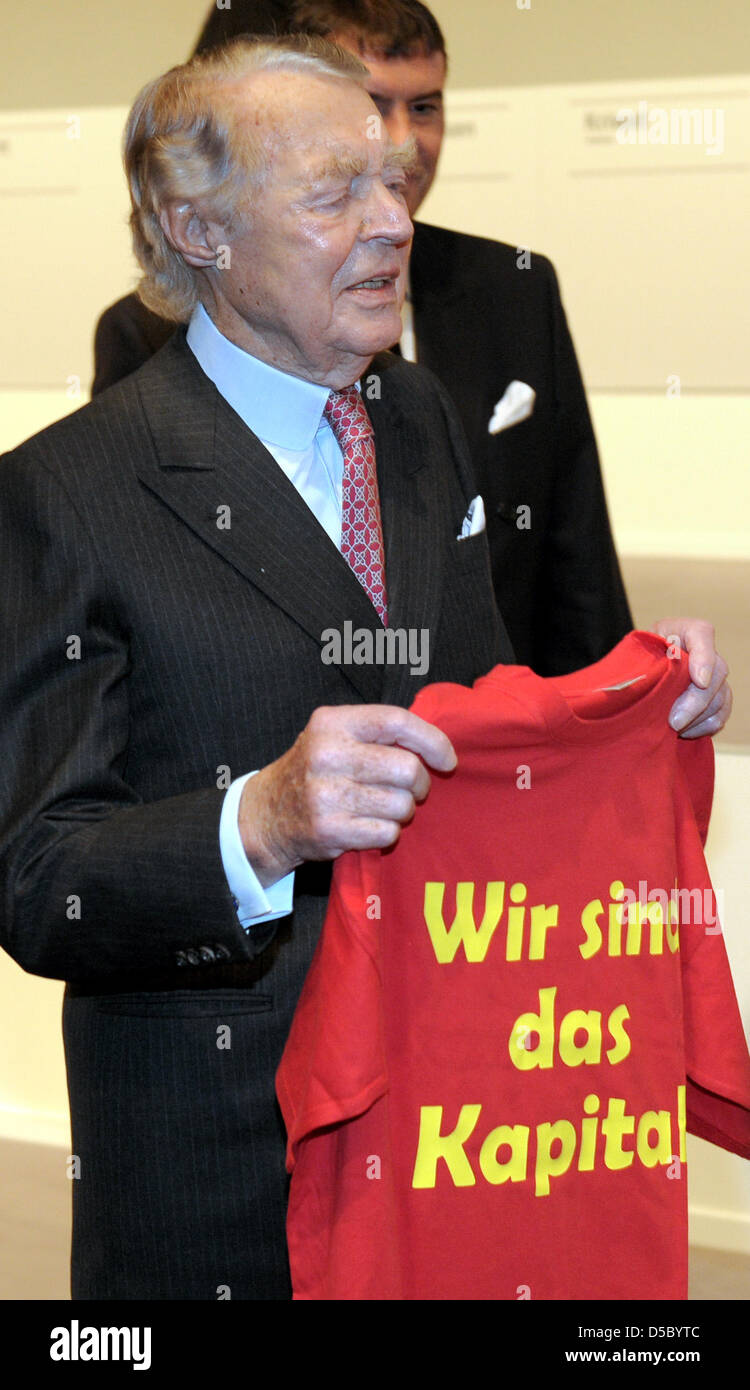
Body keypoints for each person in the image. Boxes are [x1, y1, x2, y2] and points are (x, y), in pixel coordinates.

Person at [0, 35, 512, 1300]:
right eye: (337, 190)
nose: (395, 221)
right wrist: (261, 822)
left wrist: (638, 702)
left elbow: (484, 712)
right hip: (218, 1169)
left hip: (451, 1134)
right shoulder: (67, 492)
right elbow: (40, 875)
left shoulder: (424, 423)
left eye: (394, 181)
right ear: (201, 229)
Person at [90, 1, 730, 731]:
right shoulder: (145, 359)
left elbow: (572, 574)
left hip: (484, 788)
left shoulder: (496, 309)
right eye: (367, 107)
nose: (403, 141)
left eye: (424, 106)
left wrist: (634, 703)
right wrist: (257, 816)